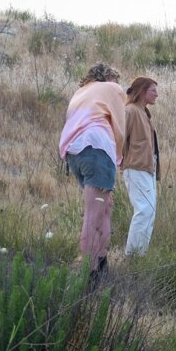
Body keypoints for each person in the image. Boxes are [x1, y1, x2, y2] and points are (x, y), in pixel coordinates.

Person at [58, 62, 126, 283]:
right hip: (97, 147)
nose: (118, 85)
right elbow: (119, 126)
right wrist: (119, 158)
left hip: (75, 153)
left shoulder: (80, 93)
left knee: (105, 206)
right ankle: (90, 273)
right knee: (94, 214)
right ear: (109, 77)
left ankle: (102, 264)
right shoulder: (111, 88)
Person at [121, 77, 160, 256]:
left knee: (149, 212)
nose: (156, 94)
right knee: (144, 211)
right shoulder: (130, 111)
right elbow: (119, 139)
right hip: (135, 167)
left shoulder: (143, 112)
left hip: (146, 169)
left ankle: (139, 255)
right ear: (142, 91)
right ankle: (132, 256)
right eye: (153, 90)